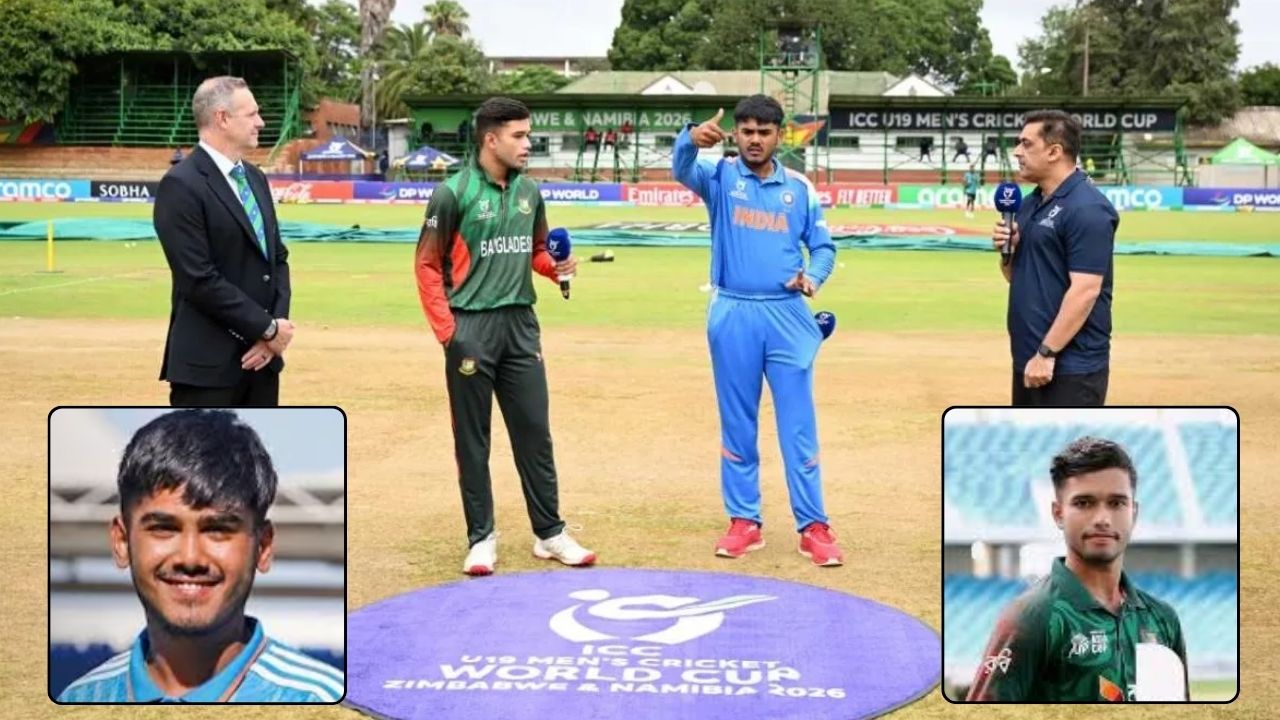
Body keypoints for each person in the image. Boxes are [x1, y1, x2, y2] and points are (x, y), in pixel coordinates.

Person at [415, 97, 595, 576]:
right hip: (470, 328)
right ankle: (481, 538)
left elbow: (535, 251)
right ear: (491, 139)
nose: (528, 143)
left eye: (528, 135)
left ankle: (550, 533)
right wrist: (449, 333)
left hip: (521, 327)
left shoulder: (530, 192)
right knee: (473, 440)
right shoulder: (452, 194)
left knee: (535, 433)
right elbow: (427, 265)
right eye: (519, 136)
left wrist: (556, 268)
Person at [56, 410, 344, 703]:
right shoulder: (79, 700)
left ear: (263, 546)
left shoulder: (324, 702)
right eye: (163, 528)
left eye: (217, 530)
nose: (190, 558)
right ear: (121, 541)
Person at [673, 95, 842, 567]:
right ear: (736, 134)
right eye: (746, 131)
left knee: (798, 425)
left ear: (778, 136)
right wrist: (690, 139)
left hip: (787, 314)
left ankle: (814, 526)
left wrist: (813, 277)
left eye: (763, 132)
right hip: (733, 311)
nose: (753, 140)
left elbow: (823, 247)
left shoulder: (800, 188)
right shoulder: (721, 177)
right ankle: (744, 521)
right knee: (738, 423)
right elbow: (681, 168)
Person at [966, 437, 1188, 702]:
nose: (1103, 519)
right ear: (1058, 513)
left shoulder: (1162, 620)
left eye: (1117, 503)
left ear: (1134, 512)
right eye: (1084, 503)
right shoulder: (1031, 617)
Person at [153, 76, 293, 407]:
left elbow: (277, 260)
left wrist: (272, 335)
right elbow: (198, 279)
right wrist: (267, 328)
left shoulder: (255, 178)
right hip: (208, 370)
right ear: (222, 118)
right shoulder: (181, 185)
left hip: (262, 363)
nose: (261, 122)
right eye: (252, 114)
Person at [992, 109, 1118, 406]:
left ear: (1054, 152)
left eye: (1026, 144)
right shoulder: (1029, 203)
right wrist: (1008, 253)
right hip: (1028, 358)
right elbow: (1015, 277)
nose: (1017, 151)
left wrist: (1047, 353)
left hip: (1069, 367)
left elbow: (1086, 290)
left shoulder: (1088, 208)